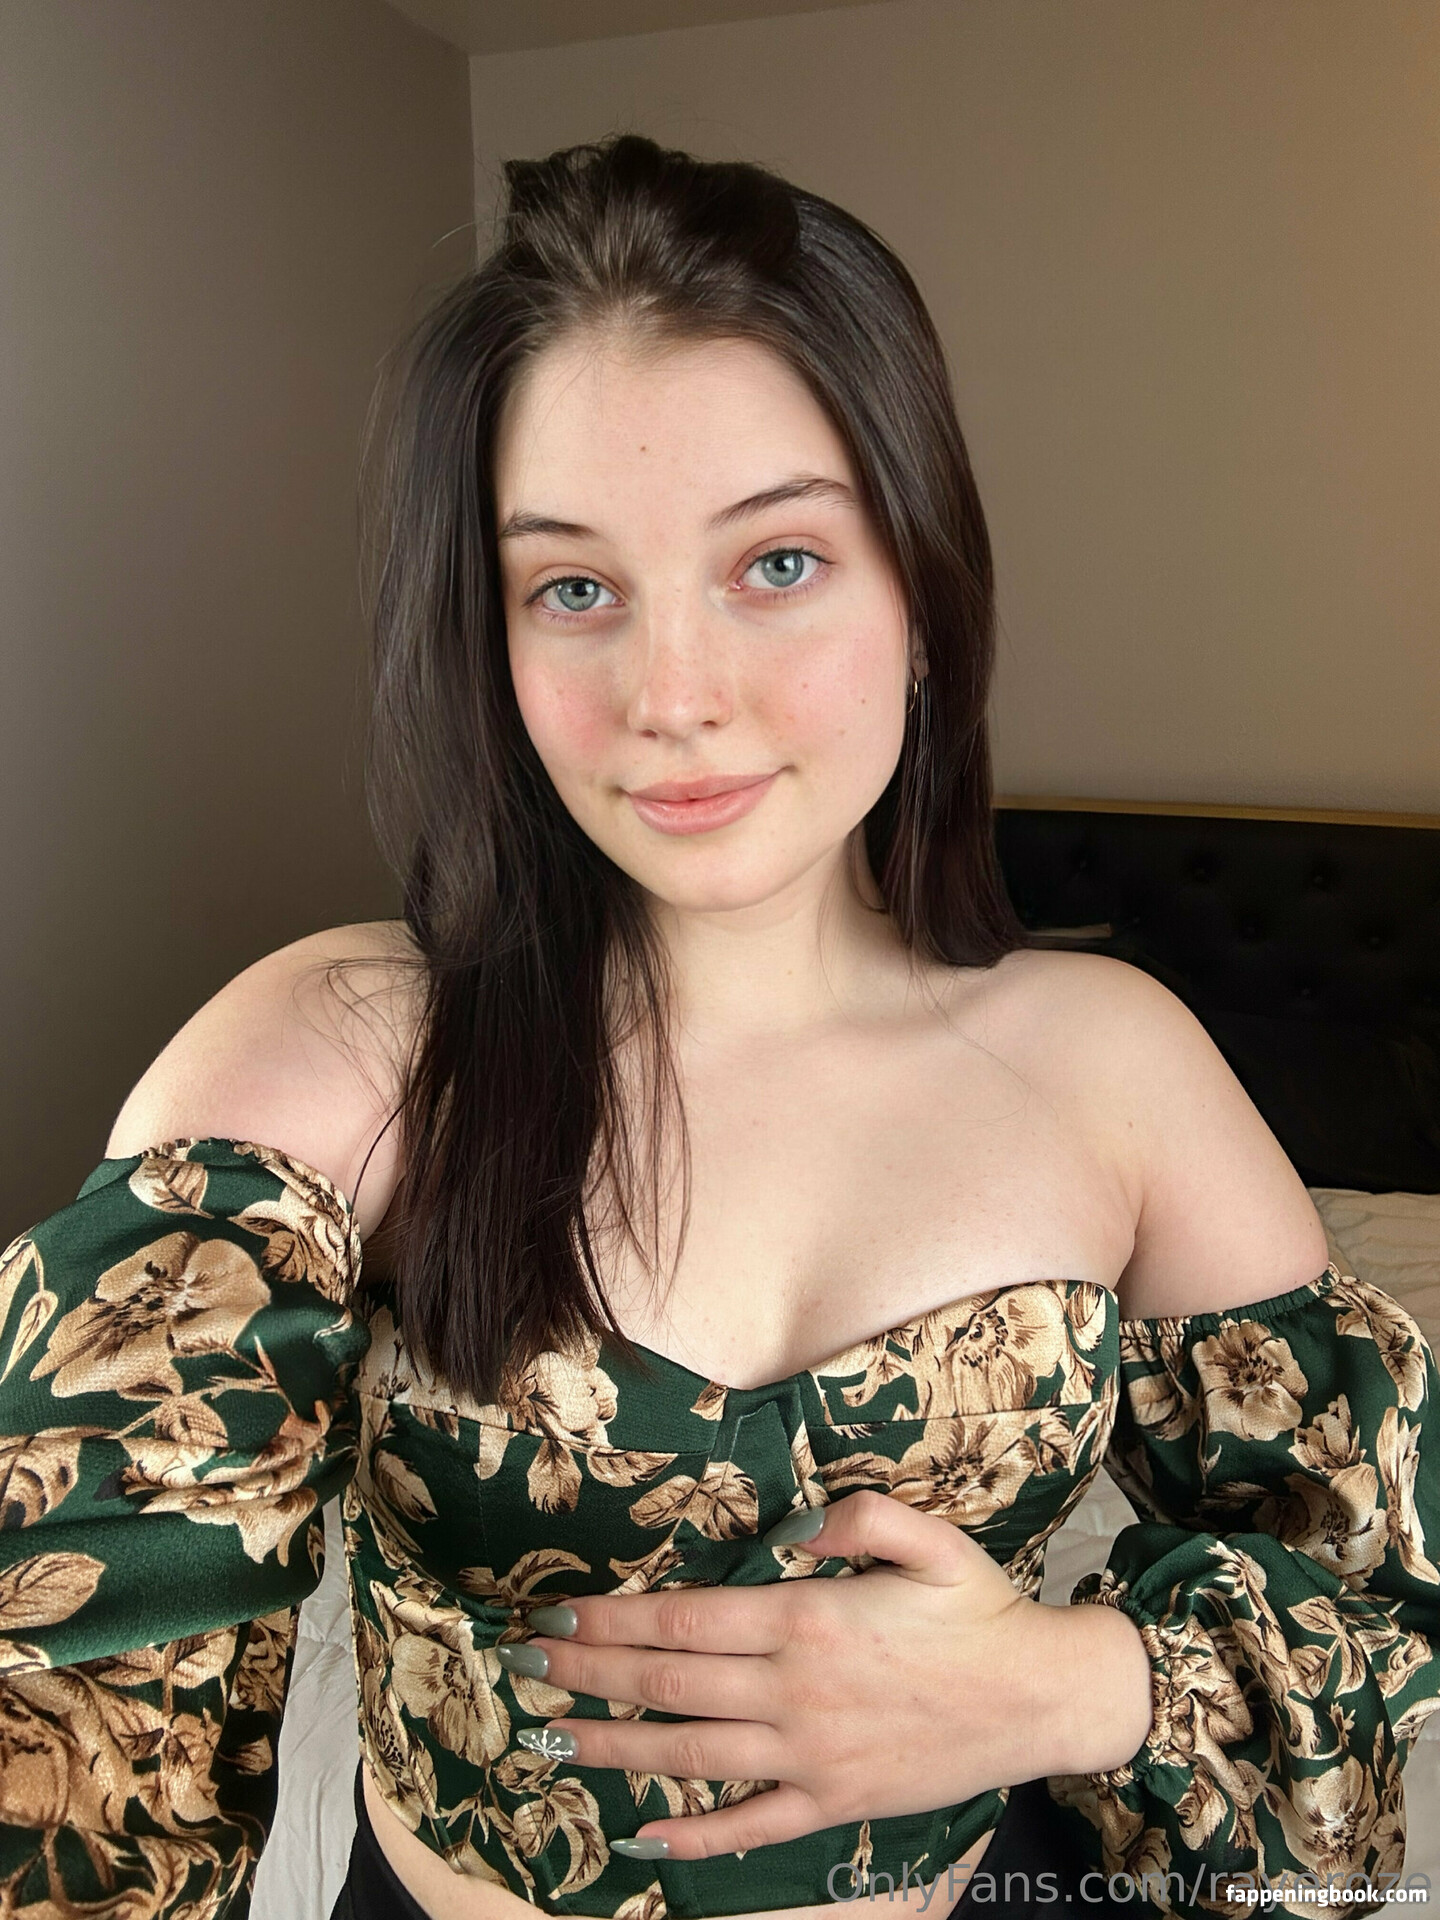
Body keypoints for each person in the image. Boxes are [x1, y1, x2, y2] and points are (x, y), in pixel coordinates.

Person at [1, 133, 1436, 1920]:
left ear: (924, 595)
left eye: (778, 563)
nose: (674, 698)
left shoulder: (1113, 1062)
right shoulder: (345, 1053)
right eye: (574, 589)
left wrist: (1067, 1687)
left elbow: (1377, 1615)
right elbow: (72, 1705)